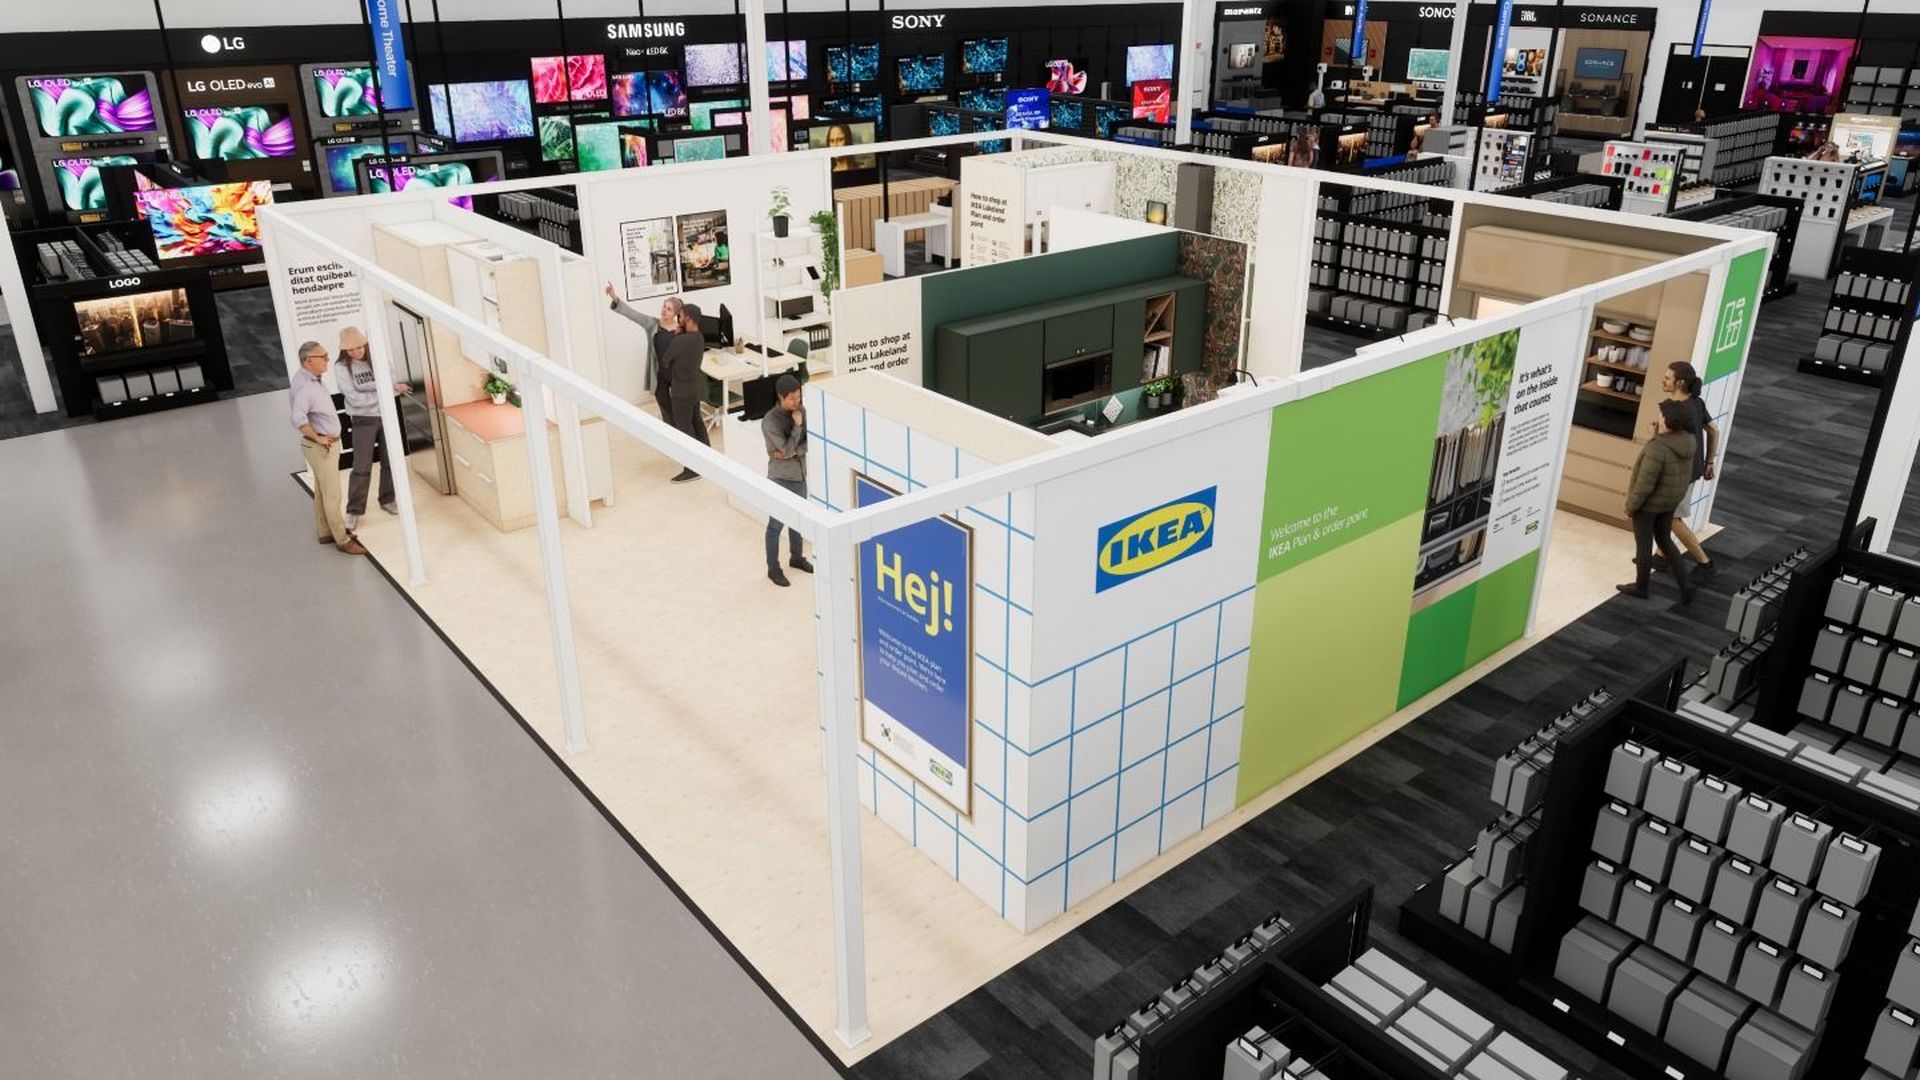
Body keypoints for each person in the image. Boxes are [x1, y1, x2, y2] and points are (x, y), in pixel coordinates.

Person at [290, 340, 367, 556]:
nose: (327, 360)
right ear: (309, 360)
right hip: (322, 448)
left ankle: (325, 532)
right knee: (333, 495)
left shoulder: (307, 378)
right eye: (323, 357)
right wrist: (318, 437)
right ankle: (342, 539)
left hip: (318, 447)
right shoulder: (307, 387)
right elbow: (298, 418)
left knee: (322, 491)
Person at [1618, 399, 1697, 605]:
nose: (1659, 416)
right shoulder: (1688, 440)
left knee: (1643, 546)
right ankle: (1686, 586)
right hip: (1669, 502)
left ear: (1667, 419)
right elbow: (1669, 459)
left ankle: (1641, 587)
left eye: (1661, 414)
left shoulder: (1657, 448)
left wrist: (1630, 508)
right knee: (1665, 541)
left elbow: (1644, 485)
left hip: (1649, 505)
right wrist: (1657, 435)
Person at [334, 326, 410, 530]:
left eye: (359, 347)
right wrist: (385, 392)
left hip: (388, 417)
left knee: (390, 461)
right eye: (350, 349)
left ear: (365, 344)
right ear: (344, 350)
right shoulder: (341, 367)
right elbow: (354, 399)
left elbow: (392, 386)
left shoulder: (380, 359)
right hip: (363, 420)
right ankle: (354, 510)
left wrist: (389, 390)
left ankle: (387, 499)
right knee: (361, 467)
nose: (355, 352)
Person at [1659, 361, 1719, 578]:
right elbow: (1714, 431)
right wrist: (1709, 462)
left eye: (1667, 378)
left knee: (1672, 519)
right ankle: (1661, 556)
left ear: (1680, 383)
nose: (1663, 380)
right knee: (1666, 515)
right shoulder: (1697, 403)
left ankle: (1705, 564)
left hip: (1679, 473)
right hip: (1693, 469)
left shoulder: (1672, 410)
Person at [604, 283, 684, 441]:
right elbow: (633, 314)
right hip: (659, 375)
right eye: (664, 306)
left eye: (669, 309)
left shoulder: (682, 330)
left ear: (675, 313)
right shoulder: (652, 324)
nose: (664, 310)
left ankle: (683, 437)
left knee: (679, 408)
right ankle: (672, 439)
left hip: (677, 376)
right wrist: (614, 297)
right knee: (666, 408)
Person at [762, 373, 814, 587]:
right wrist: (797, 427)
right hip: (780, 478)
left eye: (799, 397)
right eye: (792, 398)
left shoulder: (802, 411)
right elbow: (785, 449)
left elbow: (810, 442)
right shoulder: (770, 421)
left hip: (800, 475)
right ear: (780, 397)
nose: (796, 402)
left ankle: (797, 557)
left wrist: (794, 451)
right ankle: (773, 568)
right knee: (775, 526)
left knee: (798, 521)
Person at [663, 302, 712, 482]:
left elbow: (665, 359)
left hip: (681, 392)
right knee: (697, 423)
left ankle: (692, 469)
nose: (679, 319)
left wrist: (676, 337)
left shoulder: (680, 341)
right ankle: (709, 460)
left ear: (689, 318)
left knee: (684, 429)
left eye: (681, 316)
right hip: (694, 389)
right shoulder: (699, 338)